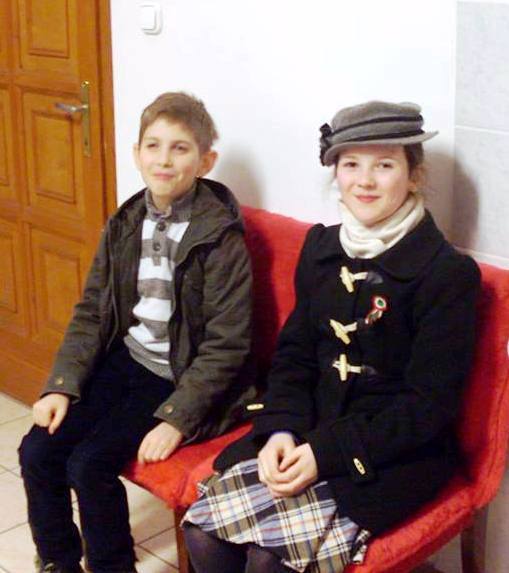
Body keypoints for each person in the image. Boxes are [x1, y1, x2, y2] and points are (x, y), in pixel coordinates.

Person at [182, 101, 481, 573]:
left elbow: (428, 407)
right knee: (202, 535)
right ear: (336, 173)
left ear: (414, 175)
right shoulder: (322, 248)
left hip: (394, 450)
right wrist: (280, 429)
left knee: (268, 562)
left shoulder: (447, 273)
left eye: (385, 165)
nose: (365, 181)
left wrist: (325, 454)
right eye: (351, 165)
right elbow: (295, 356)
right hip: (308, 425)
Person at [18, 92, 255, 573]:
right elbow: (92, 311)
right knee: (37, 450)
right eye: (153, 145)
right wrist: (62, 384)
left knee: (89, 464)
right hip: (126, 359)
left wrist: (177, 418)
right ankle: (58, 560)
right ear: (136, 153)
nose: (164, 159)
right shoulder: (127, 222)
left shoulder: (221, 237)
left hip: (177, 376)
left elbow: (226, 346)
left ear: (205, 161)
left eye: (180, 148)